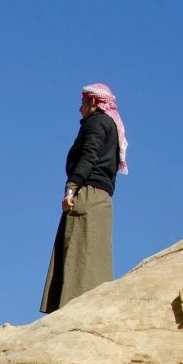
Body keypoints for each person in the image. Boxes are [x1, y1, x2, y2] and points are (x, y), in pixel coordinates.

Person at [40, 82, 128, 314]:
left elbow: (89, 155)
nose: (80, 108)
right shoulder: (110, 125)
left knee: (79, 253)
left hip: (87, 194)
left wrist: (72, 187)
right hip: (102, 199)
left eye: (82, 102)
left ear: (92, 102)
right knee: (94, 255)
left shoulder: (96, 123)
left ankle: (73, 310)